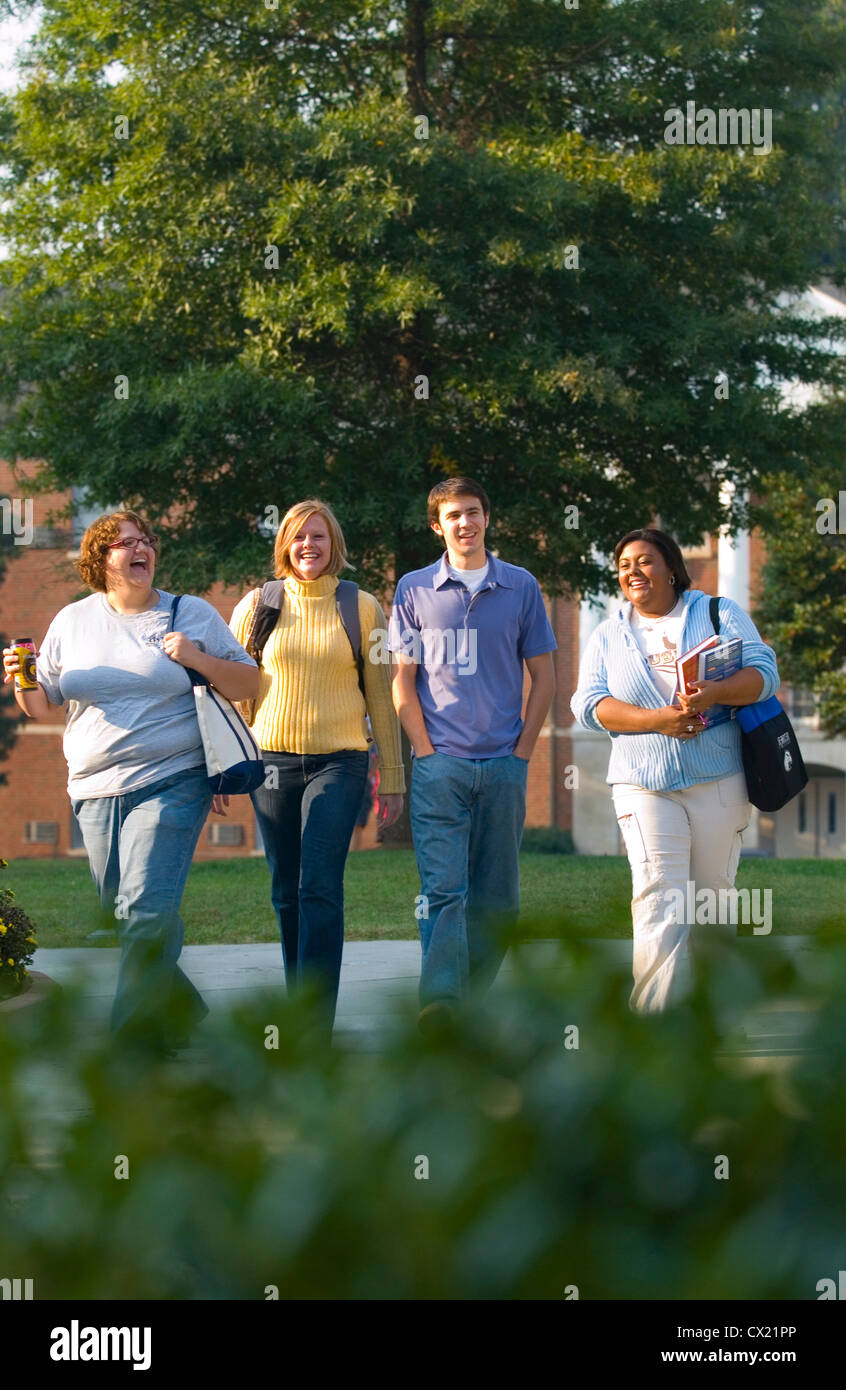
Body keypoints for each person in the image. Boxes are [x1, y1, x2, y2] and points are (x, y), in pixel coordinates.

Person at [2, 510, 259, 1052]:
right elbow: (41, 703)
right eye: (126, 543)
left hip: (174, 778)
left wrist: (194, 656)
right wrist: (19, 675)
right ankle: (181, 1006)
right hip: (93, 787)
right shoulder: (73, 622)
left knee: (144, 909)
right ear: (101, 559)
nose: (140, 549)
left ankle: (129, 1044)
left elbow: (248, 680)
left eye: (147, 541)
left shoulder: (189, 613)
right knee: (127, 916)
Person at [570, 527, 780, 1013]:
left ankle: (712, 1015)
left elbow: (764, 674)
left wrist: (714, 693)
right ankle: (654, 1026)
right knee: (659, 897)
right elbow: (588, 704)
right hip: (643, 784)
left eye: (644, 561)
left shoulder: (718, 614)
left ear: (670, 567)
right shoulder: (608, 632)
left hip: (718, 779)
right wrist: (656, 722)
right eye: (623, 565)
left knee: (711, 900)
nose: (632, 572)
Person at [229, 499, 404, 1028]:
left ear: (335, 546)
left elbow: (381, 694)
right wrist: (226, 767)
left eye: (319, 537)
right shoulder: (255, 606)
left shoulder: (363, 606)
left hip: (342, 761)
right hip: (272, 763)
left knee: (319, 886)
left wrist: (393, 778)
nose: (309, 545)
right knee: (286, 888)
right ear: (285, 544)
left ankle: (314, 1026)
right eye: (299, 537)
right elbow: (236, 694)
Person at [389, 477, 556, 1027]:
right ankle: (442, 1004)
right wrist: (425, 752)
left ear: (487, 518)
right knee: (444, 893)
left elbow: (546, 677)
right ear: (438, 525)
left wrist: (523, 752)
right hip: (442, 767)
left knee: (499, 903)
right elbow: (402, 681)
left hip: (505, 765)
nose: (466, 523)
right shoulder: (413, 589)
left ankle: (469, 1000)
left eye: (475, 512)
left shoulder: (521, 586)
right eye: (454, 515)